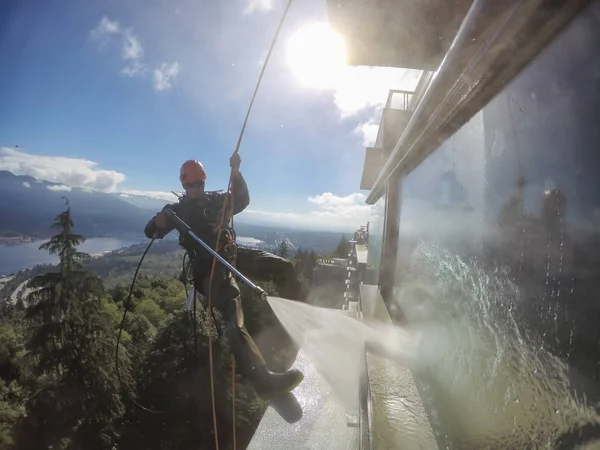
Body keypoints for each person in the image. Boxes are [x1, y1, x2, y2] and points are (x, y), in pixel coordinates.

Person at [144, 155, 303, 396]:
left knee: (282, 267)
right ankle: (264, 380)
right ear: (184, 185)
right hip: (209, 269)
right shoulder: (176, 211)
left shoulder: (218, 201)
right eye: (191, 185)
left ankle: (300, 321)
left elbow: (242, 200)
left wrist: (236, 173)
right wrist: (158, 221)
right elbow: (152, 232)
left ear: (204, 183)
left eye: (199, 184)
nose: (196, 189)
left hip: (231, 255)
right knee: (233, 316)